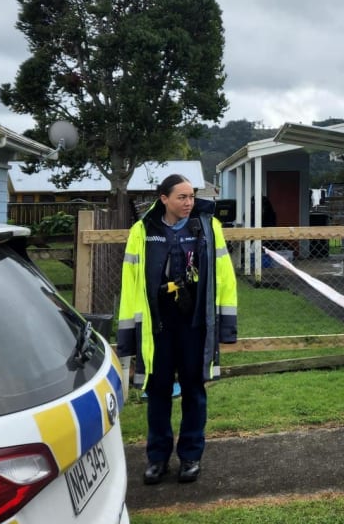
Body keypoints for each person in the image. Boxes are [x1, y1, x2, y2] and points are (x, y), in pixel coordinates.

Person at [117, 174, 238, 485]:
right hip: (157, 329)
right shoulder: (143, 231)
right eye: (181, 197)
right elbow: (130, 285)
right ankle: (157, 459)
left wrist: (226, 324)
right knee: (157, 392)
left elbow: (224, 277)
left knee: (193, 390)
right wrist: (128, 334)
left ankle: (190, 457)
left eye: (191, 197)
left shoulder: (209, 228)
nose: (189, 203)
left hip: (194, 326)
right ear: (164, 199)